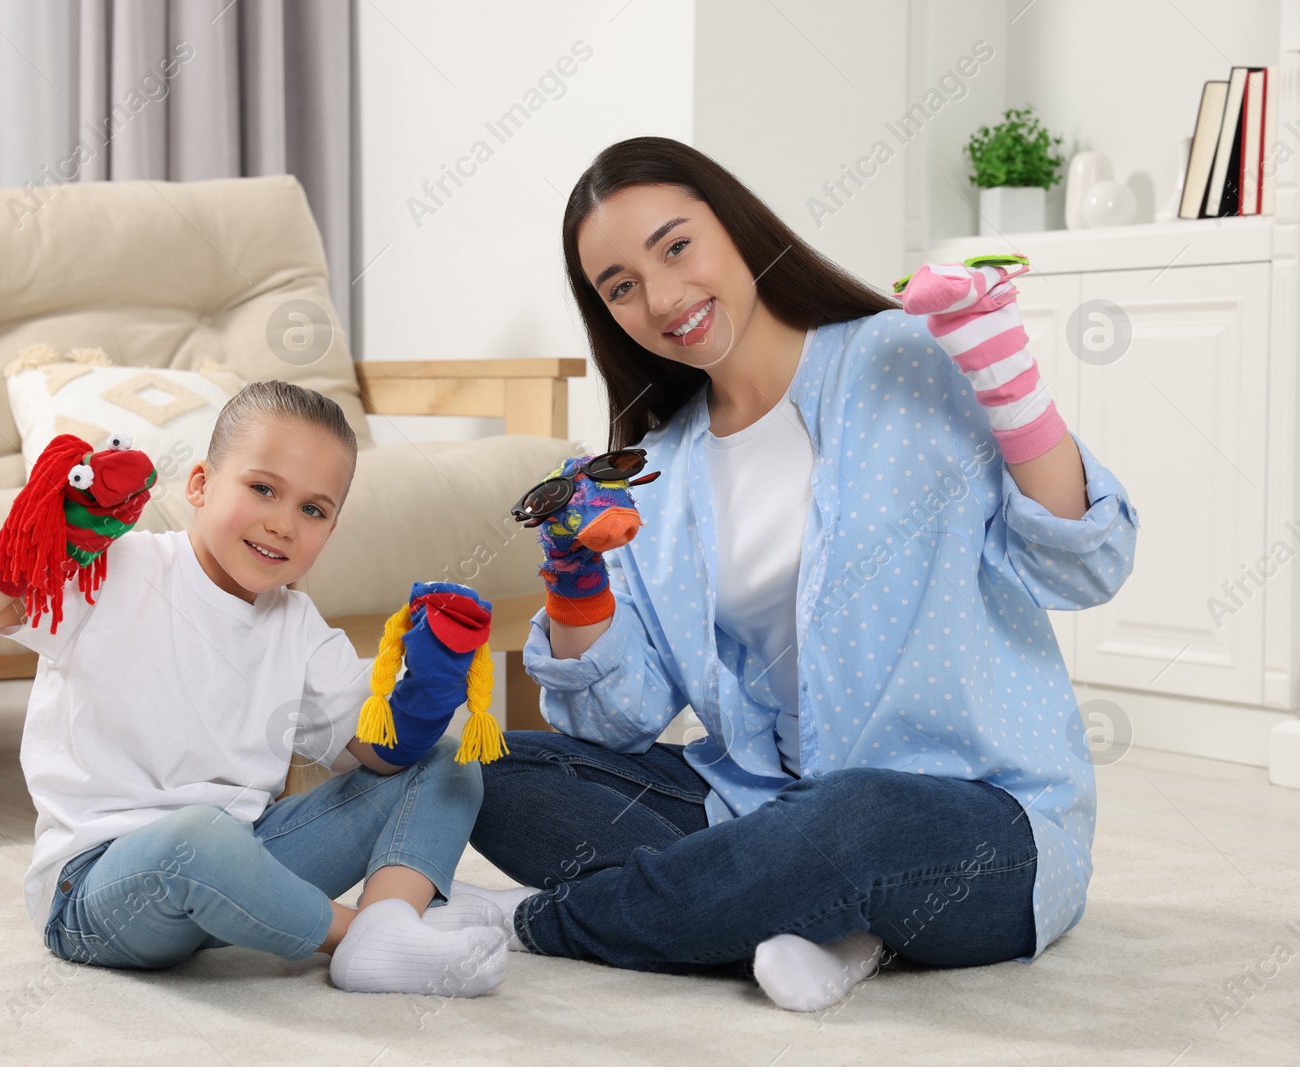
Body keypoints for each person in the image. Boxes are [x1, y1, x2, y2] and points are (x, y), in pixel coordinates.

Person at [455, 136, 1141, 1012]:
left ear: (736, 226)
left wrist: (1010, 381)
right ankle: (810, 919)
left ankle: (545, 921)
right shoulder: (654, 470)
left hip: (982, 826)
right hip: (757, 807)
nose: (661, 298)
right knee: (475, 768)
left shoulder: (901, 356)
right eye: (620, 286)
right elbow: (618, 722)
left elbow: (1086, 565)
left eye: (676, 246)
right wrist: (574, 575)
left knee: (852, 820)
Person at [0, 379, 509, 996]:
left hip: (245, 863)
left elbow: (383, 756)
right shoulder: (120, 566)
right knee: (200, 835)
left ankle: (390, 929)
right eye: (263, 489)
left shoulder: (299, 628)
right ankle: (360, 932)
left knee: (447, 759)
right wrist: (65, 534)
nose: (283, 524)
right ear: (200, 484)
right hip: (99, 890)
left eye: (313, 510)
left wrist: (431, 682)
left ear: (330, 530)